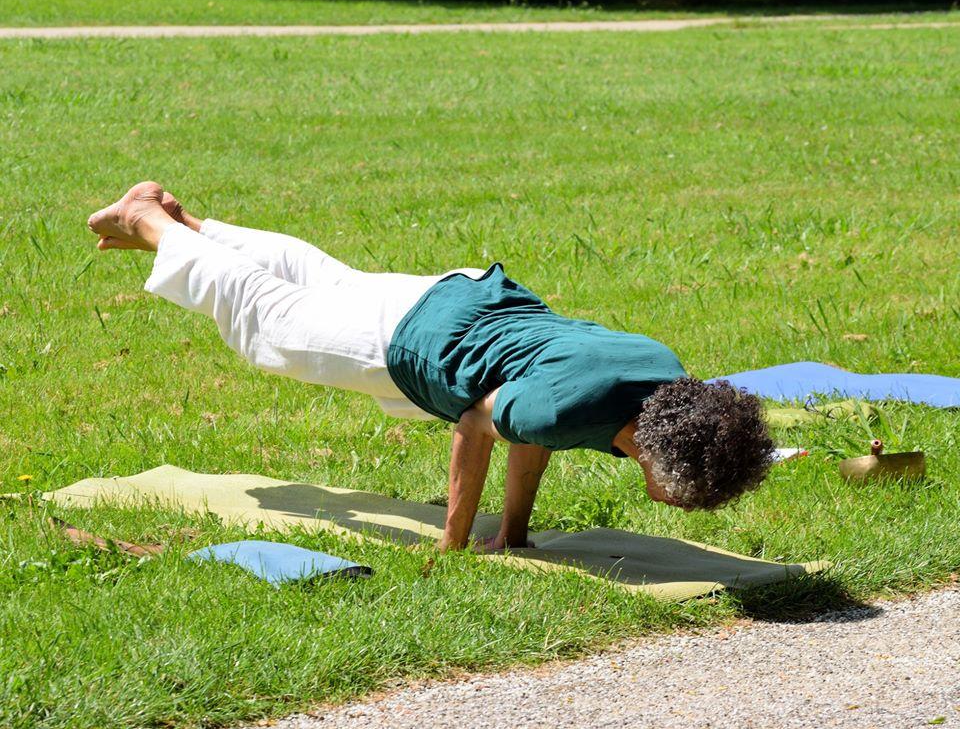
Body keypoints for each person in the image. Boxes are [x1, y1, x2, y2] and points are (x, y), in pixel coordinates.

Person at [88, 182, 774, 552]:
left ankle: (192, 226)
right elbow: (482, 424)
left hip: (467, 292)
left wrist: (512, 533)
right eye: (694, 492)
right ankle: (151, 220)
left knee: (321, 279)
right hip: (411, 339)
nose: (693, 504)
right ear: (660, 461)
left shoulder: (665, 373)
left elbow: (539, 416)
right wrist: (457, 539)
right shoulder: (565, 414)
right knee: (268, 323)